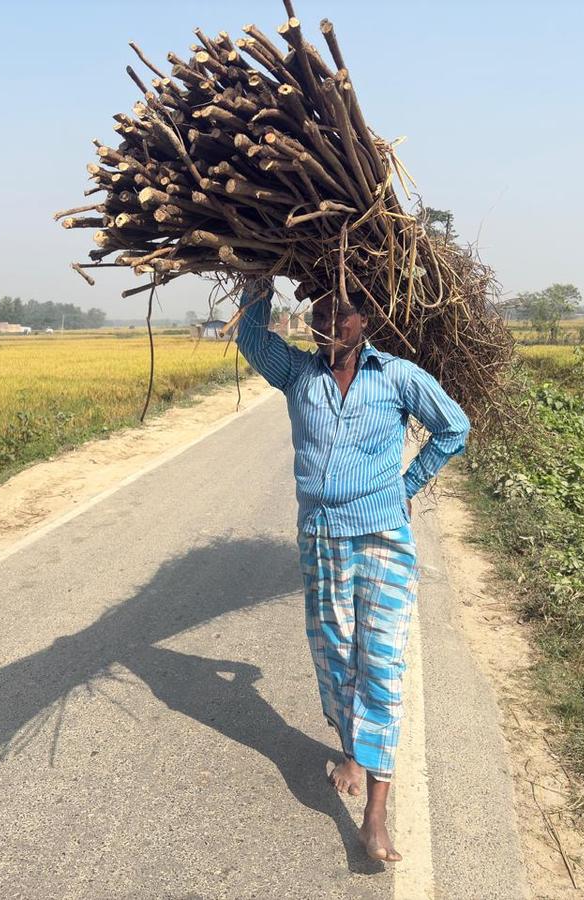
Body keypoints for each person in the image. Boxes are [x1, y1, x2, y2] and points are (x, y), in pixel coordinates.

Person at [234, 277, 470, 863]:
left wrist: (407, 485)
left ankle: (374, 817)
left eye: (343, 313)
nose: (332, 322)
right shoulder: (298, 374)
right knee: (336, 657)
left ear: (365, 321)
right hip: (320, 541)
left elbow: (454, 427)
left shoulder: (395, 376)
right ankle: (352, 755)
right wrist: (257, 282)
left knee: (382, 664)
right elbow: (251, 339)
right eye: (322, 311)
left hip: (384, 537)